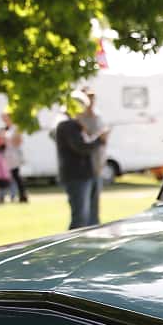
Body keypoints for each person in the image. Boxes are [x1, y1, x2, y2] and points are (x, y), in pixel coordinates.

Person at [55, 95, 108, 229]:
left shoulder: (75, 125)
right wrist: (99, 139)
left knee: (90, 217)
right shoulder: (67, 125)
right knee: (80, 218)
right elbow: (81, 147)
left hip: (85, 174)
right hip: (76, 175)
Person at [78, 88, 110, 187]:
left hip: (98, 162)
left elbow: (103, 137)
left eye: (93, 99)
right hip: (85, 166)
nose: (91, 101)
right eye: (89, 98)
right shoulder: (79, 117)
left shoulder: (98, 116)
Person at [1, 111, 27, 203]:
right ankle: (9, 195)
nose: (4, 119)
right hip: (7, 154)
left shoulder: (15, 128)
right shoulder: (5, 129)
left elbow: (19, 141)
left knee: (16, 175)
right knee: (9, 176)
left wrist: (9, 141)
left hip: (14, 154)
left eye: (5, 117)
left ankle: (22, 195)